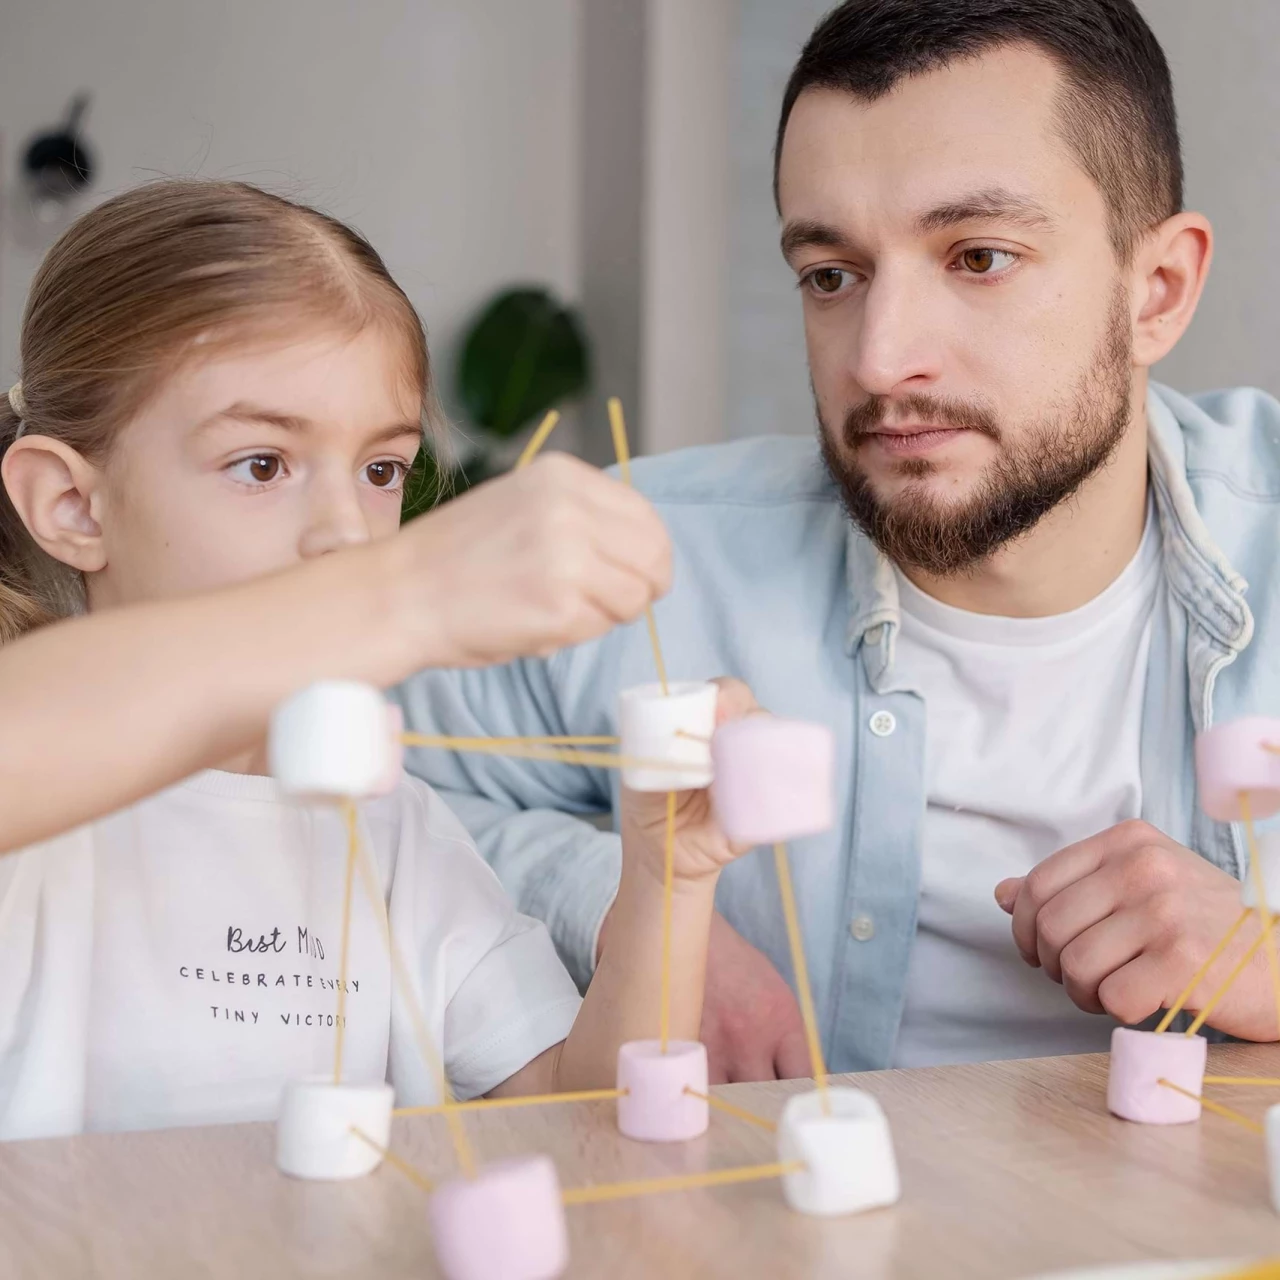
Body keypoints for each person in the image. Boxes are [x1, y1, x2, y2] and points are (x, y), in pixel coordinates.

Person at [399, 0, 1280, 1081]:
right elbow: (358, 782)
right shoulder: (641, 556)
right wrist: (632, 909)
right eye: (831, 274)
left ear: (1156, 291)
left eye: (978, 256)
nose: (877, 358)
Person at [0, 178, 750, 1139]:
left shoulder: (393, 829)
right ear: (72, 505)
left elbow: (581, 1124)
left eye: (382, 470)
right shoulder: (42, 817)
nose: (346, 535)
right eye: (262, 464)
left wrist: (665, 882)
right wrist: (405, 593)